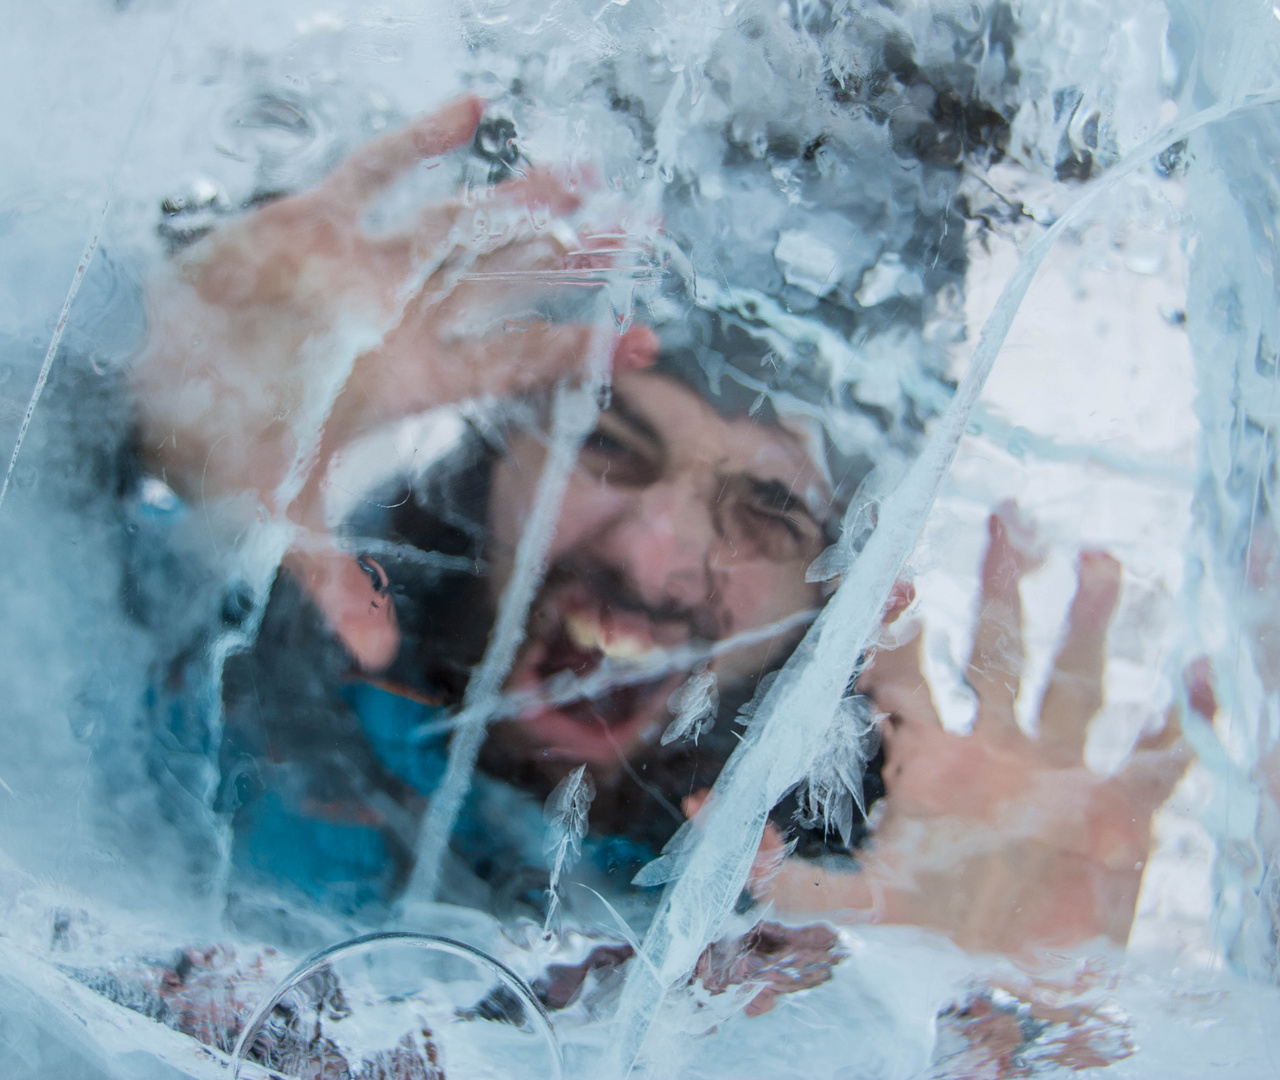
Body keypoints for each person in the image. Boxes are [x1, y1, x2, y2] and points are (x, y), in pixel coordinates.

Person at [130, 95, 1191, 975]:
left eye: (768, 514)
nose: (651, 557)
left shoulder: (863, 897)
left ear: (834, 598)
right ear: (498, 445)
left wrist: (1009, 995)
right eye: (607, 441)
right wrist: (131, 424)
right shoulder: (232, 646)